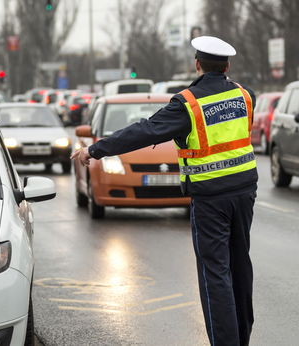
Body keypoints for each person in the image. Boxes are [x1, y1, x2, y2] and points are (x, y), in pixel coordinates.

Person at [71, 36, 257, 346]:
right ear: (228, 65)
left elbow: (144, 131)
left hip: (211, 199)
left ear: (197, 64)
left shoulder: (189, 103)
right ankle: (242, 338)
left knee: (216, 275)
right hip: (244, 192)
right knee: (240, 267)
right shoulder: (245, 96)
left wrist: (96, 149)